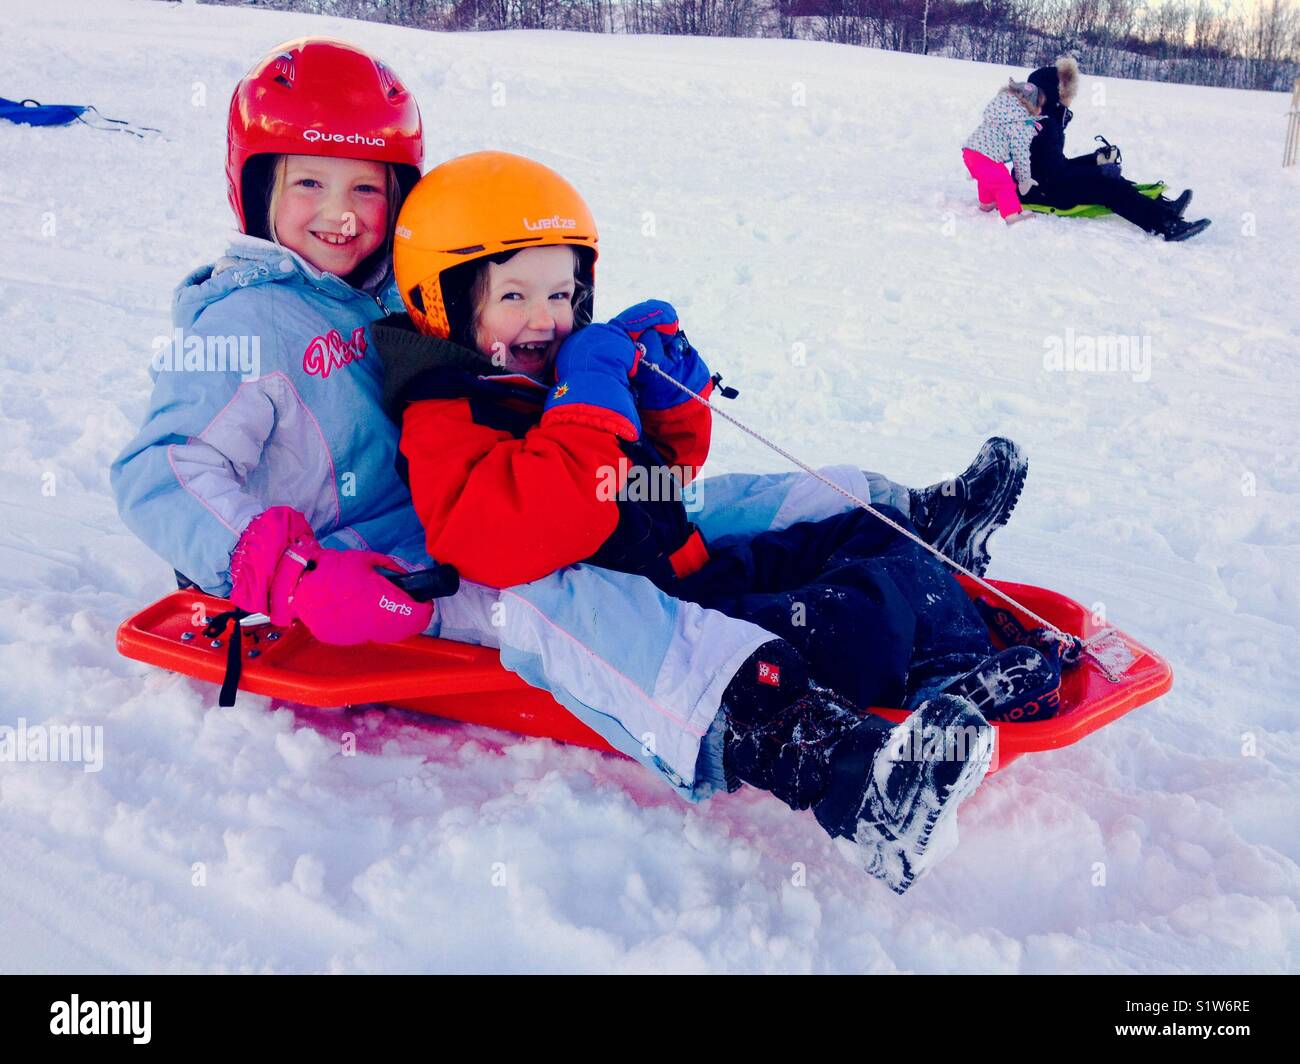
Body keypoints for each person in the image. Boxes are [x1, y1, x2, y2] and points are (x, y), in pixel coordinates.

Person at [111, 38, 1032, 893]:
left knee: (688, 501)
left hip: (512, 490)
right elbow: (163, 470)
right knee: (570, 602)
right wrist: (297, 577)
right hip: (406, 570)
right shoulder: (245, 327)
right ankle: (833, 769)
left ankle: (912, 518)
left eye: (367, 186)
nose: (341, 213)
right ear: (254, 186)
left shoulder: (409, 285)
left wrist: (638, 379)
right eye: (308, 182)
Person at [380, 151, 1061, 892]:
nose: (548, 318)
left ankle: (935, 575)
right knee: (826, 626)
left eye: (563, 291)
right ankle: (848, 771)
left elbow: (670, 464)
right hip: (644, 609)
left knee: (816, 515)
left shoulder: (549, 373)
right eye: (514, 294)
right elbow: (514, 534)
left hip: (668, 550)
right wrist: (590, 394)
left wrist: (665, 388)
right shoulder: (446, 413)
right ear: (443, 300)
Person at [1019, 56, 1211, 242]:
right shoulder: (1045, 126)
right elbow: (1053, 174)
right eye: (1066, 92)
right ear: (1053, 94)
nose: (1070, 97)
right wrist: (1096, 171)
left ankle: (1164, 209)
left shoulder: (1047, 120)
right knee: (1107, 186)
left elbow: (1053, 164)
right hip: (1042, 191)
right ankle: (1165, 225)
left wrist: (1094, 160)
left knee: (1107, 177)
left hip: (1043, 183)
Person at [962, 78, 1044, 225]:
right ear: (1033, 105)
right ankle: (1012, 214)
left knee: (988, 178)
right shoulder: (1022, 123)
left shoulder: (1001, 110)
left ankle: (987, 203)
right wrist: (1024, 179)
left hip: (970, 151)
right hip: (986, 156)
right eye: (1040, 106)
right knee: (1003, 183)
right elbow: (1021, 154)